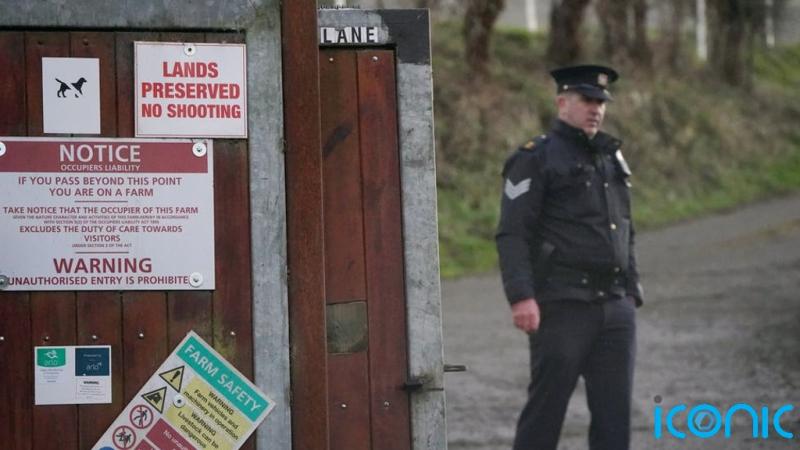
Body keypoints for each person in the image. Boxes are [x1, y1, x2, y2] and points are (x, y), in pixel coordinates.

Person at [495, 64, 644, 450]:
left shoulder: (610, 157)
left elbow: (624, 226)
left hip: (614, 307)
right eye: (587, 100)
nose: (596, 108)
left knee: (614, 419)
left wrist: (631, 290)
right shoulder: (536, 158)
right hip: (561, 305)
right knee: (546, 413)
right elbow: (512, 232)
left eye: (601, 102)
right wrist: (521, 296)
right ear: (563, 102)